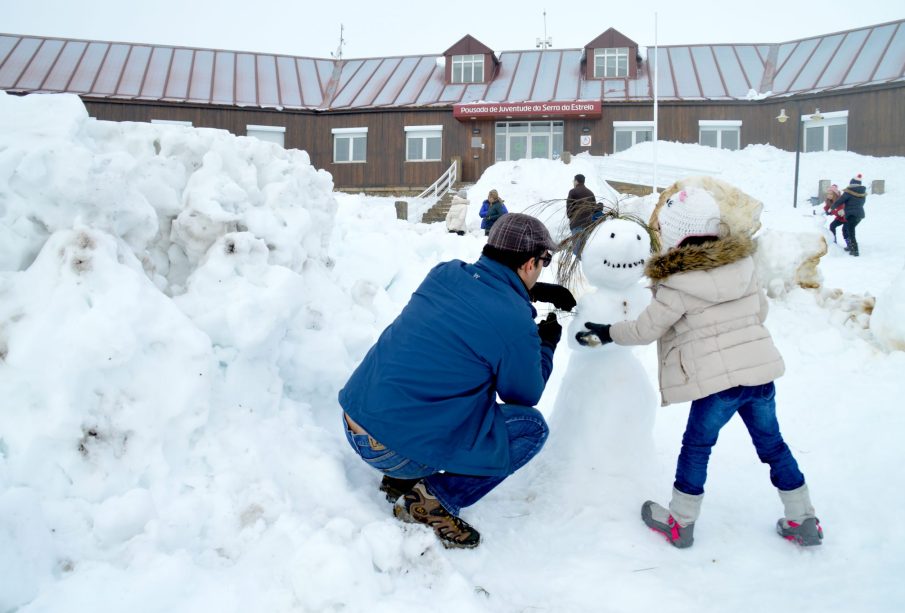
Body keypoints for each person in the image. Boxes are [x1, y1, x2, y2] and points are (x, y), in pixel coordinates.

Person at [576, 187, 822, 549]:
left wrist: (607, 332)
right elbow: (760, 313)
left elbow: (646, 329)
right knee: (773, 445)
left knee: (696, 447)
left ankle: (681, 522)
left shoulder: (677, 281)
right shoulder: (743, 263)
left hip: (718, 386)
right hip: (759, 375)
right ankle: (803, 519)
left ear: (674, 232)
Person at [339, 213, 576, 549]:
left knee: (440, 382)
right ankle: (432, 502)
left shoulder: (444, 273)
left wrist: (531, 294)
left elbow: (480, 296)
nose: (543, 268)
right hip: (395, 450)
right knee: (530, 427)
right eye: (544, 262)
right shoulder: (514, 323)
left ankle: (399, 479)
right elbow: (523, 393)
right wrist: (546, 344)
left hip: (356, 421)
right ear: (528, 264)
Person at [566, 174, 601, 256]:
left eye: (573, 181)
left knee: (576, 252)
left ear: (576, 181)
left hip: (576, 224)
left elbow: (569, 209)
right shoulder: (590, 193)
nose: (573, 182)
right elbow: (594, 209)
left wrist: (572, 218)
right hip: (588, 225)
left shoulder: (573, 192)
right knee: (585, 252)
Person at [833, 173, 868, 256]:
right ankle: (850, 246)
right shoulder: (862, 194)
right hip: (859, 215)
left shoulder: (848, 192)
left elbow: (840, 201)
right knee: (847, 229)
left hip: (851, 215)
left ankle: (855, 250)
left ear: (851, 184)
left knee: (850, 231)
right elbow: (857, 204)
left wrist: (832, 207)